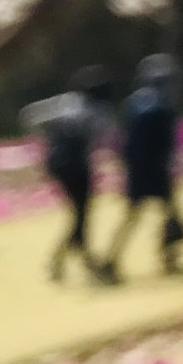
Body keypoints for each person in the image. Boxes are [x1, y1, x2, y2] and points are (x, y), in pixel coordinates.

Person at [20, 67, 116, 283]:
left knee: (79, 214)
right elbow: (108, 140)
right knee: (81, 214)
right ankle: (75, 259)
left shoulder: (67, 103)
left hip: (56, 163)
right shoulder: (97, 110)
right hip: (76, 166)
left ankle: (76, 258)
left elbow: (30, 116)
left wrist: (46, 140)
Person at [100, 54, 183, 281]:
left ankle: (112, 260)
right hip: (155, 170)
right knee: (169, 215)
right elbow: (167, 144)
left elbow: (123, 139)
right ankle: (166, 258)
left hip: (137, 169)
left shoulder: (133, 103)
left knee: (136, 215)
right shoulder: (162, 106)